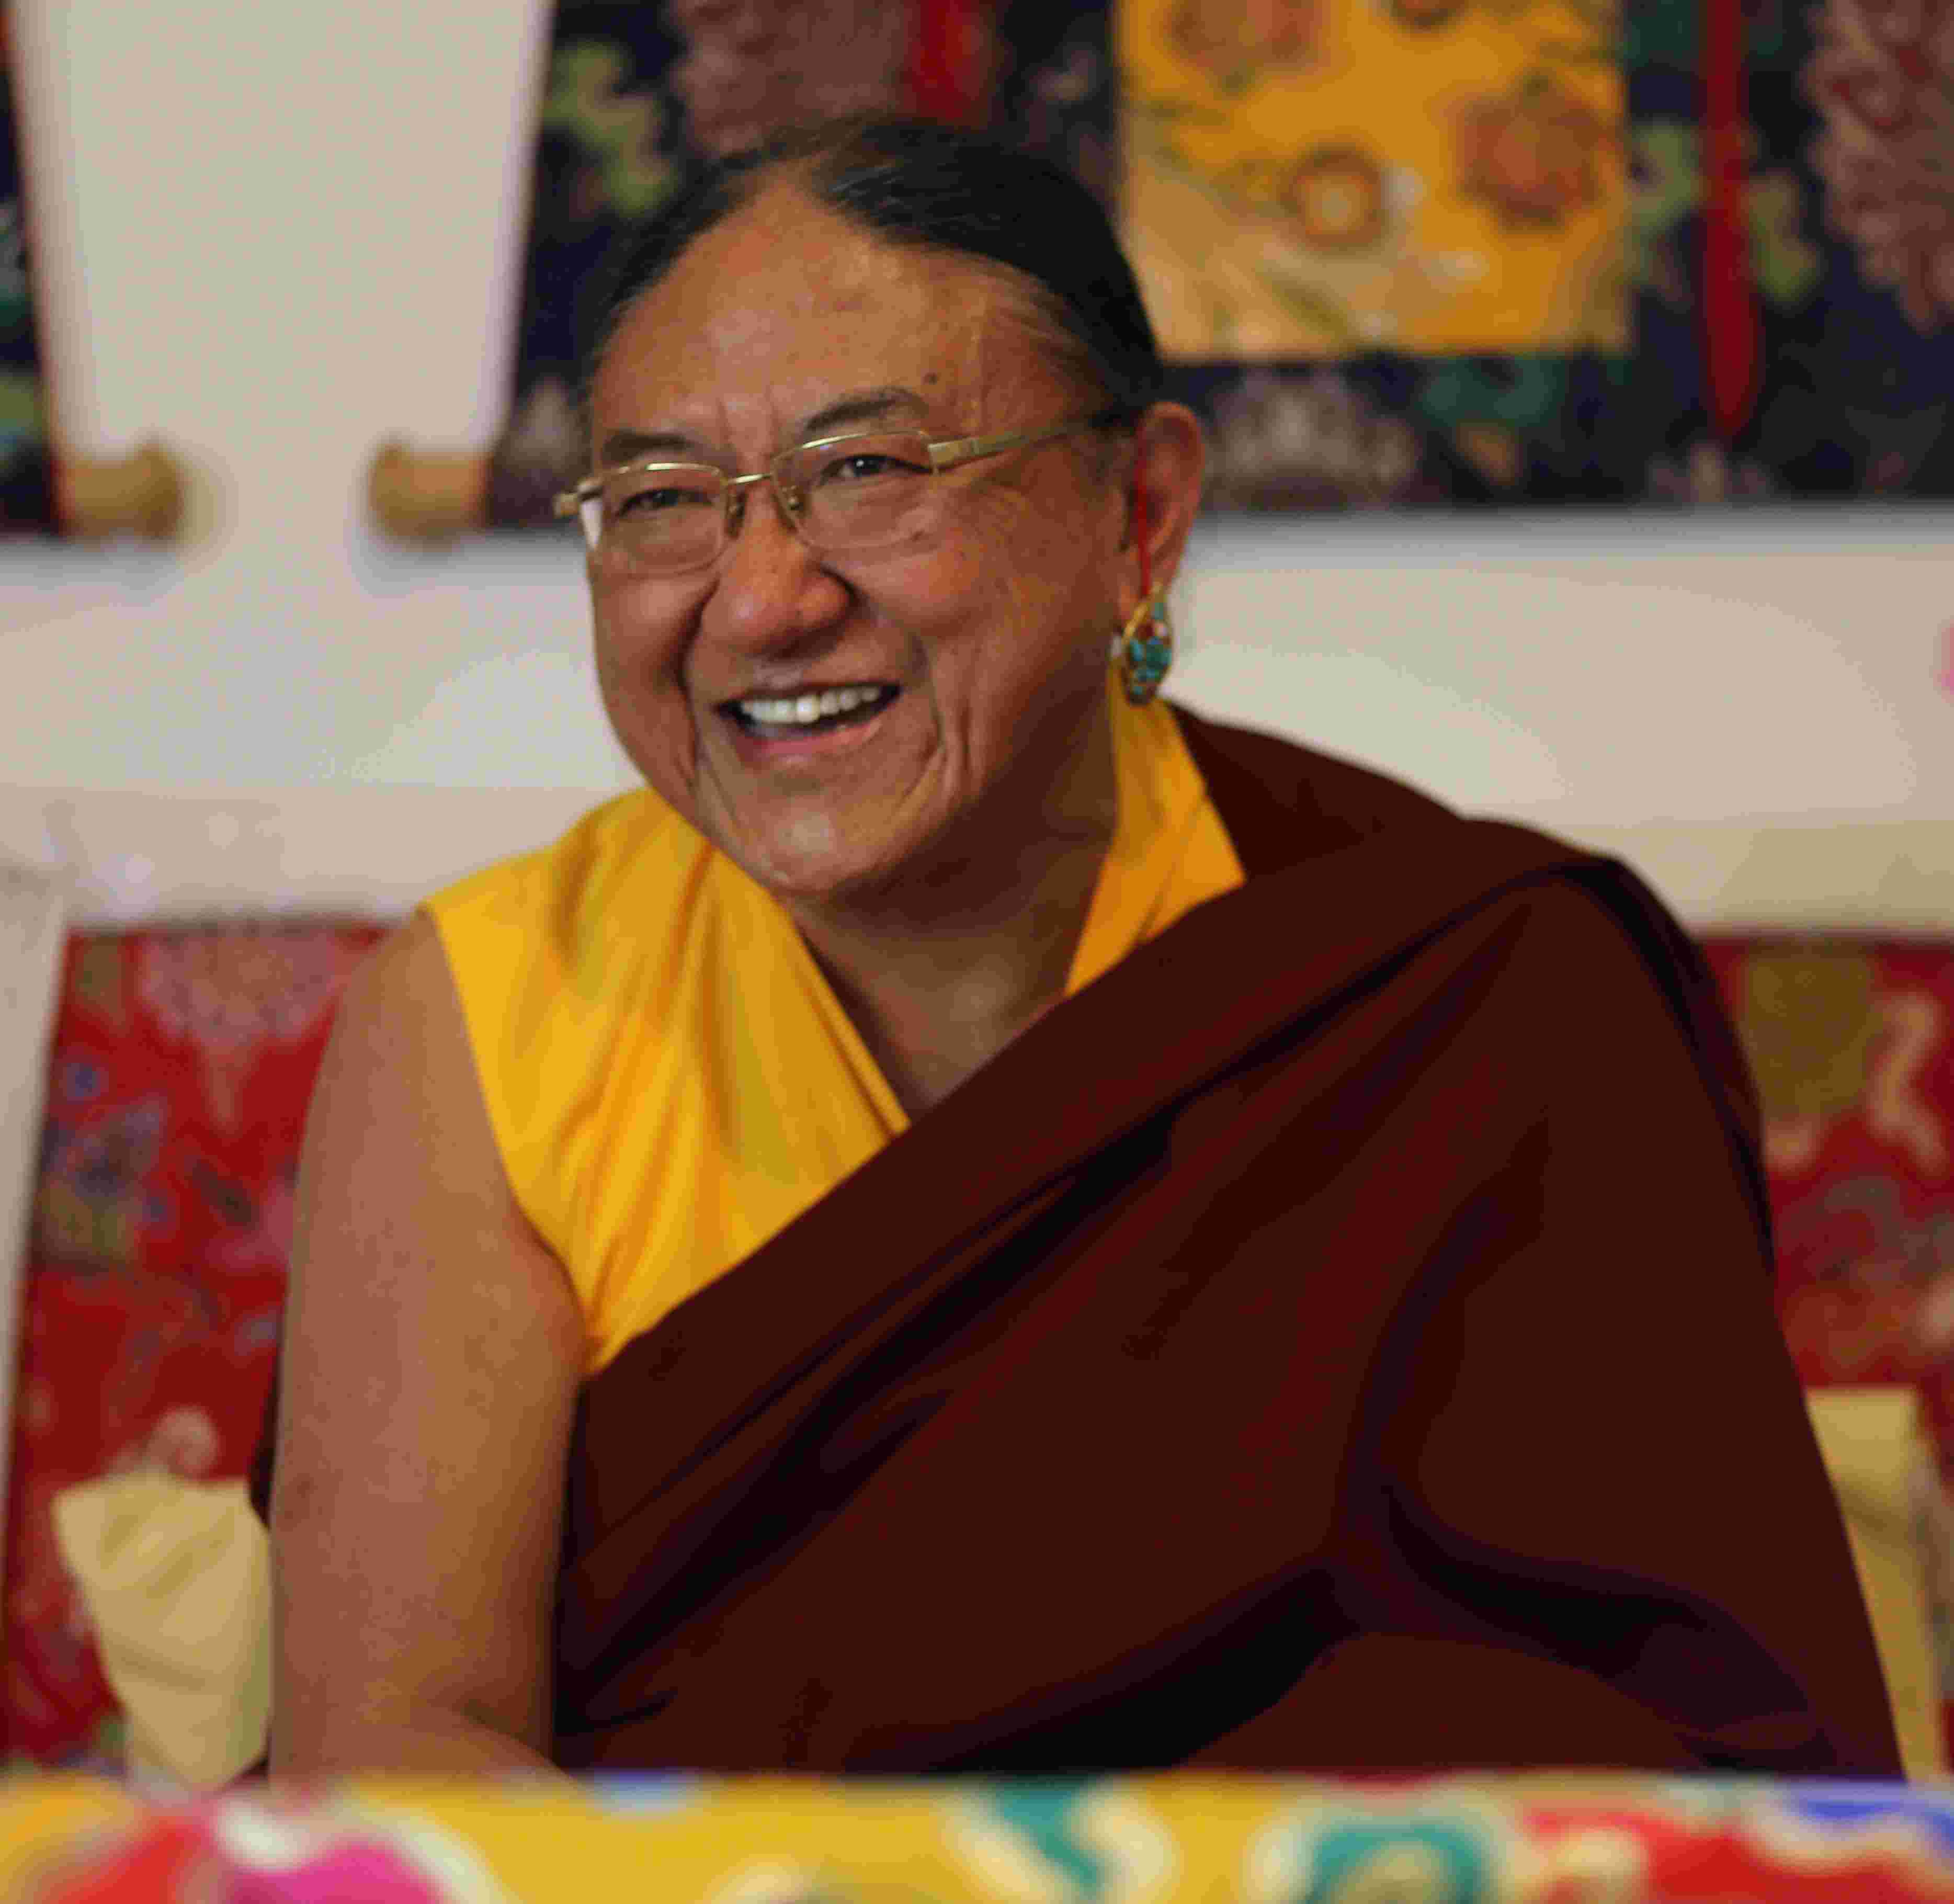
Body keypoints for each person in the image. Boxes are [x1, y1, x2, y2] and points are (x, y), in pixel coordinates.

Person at [255, 117, 1901, 1778]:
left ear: (1144, 514)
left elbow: (1640, 1752)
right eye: (666, 500)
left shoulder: (1465, 990)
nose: (757, 601)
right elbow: (395, 1764)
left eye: (867, 473)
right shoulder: (489, 1007)